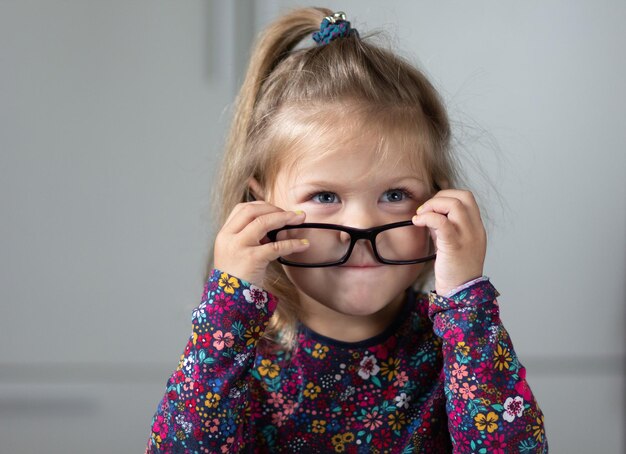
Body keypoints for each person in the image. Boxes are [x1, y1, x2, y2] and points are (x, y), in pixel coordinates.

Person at [146, 7, 547, 453]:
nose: (360, 227)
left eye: (395, 194)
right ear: (260, 206)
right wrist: (227, 312)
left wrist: (467, 301)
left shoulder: (455, 344)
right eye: (324, 197)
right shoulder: (241, 354)